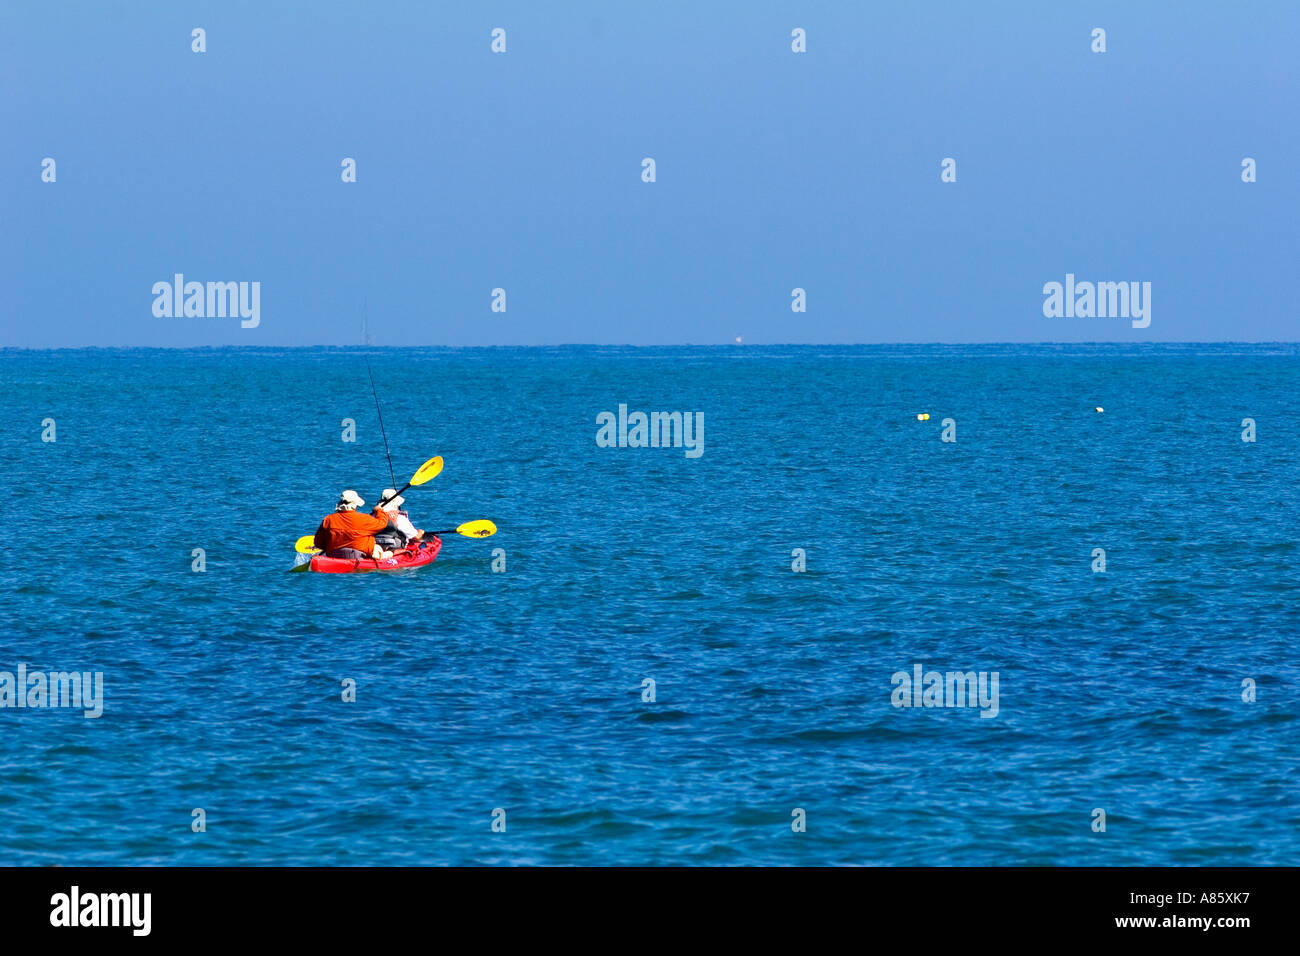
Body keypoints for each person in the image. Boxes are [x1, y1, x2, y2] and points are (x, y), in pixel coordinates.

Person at [314, 490, 397, 560]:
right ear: (354, 505)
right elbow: (382, 523)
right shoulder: (365, 519)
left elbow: (318, 543)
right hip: (359, 557)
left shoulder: (328, 519)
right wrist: (379, 511)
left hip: (334, 556)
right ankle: (391, 553)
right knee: (380, 550)